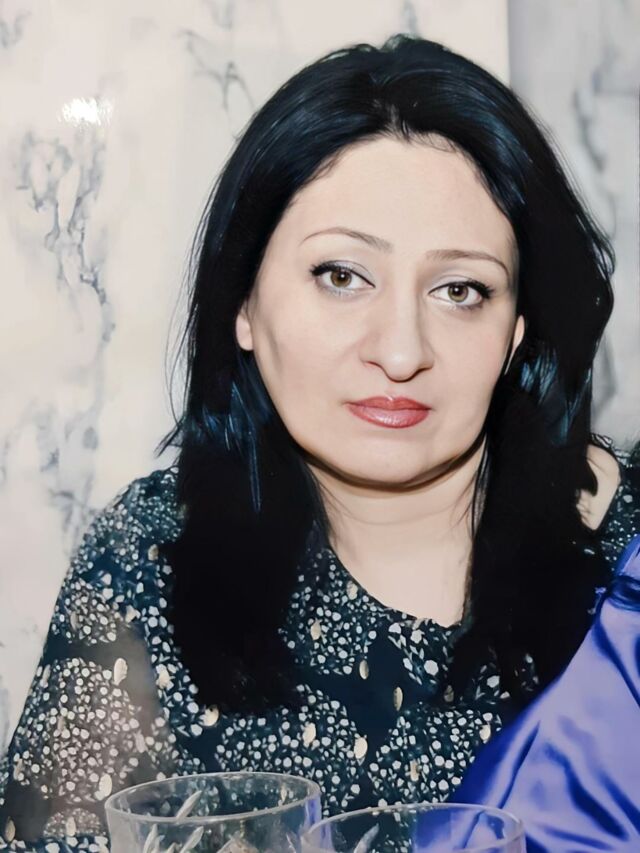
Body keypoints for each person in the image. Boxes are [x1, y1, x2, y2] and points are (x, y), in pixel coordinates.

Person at [0, 32, 638, 851]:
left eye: (460, 289)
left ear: (516, 330)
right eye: (341, 276)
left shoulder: (631, 559)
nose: (400, 351)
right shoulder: (154, 556)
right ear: (243, 303)